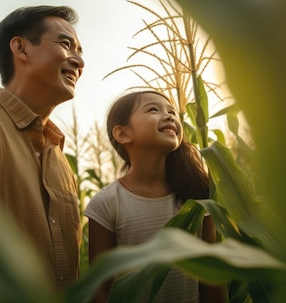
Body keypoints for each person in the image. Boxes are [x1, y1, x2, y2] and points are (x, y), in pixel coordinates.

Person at [0, 5, 84, 292]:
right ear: (21, 48)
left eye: (80, 51)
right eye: (66, 44)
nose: (78, 61)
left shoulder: (59, 155)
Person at [84, 90, 226, 303]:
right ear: (123, 134)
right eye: (153, 109)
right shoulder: (106, 204)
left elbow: (212, 278)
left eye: (172, 112)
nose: (170, 116)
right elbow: (100, 288)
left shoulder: (197, 196)